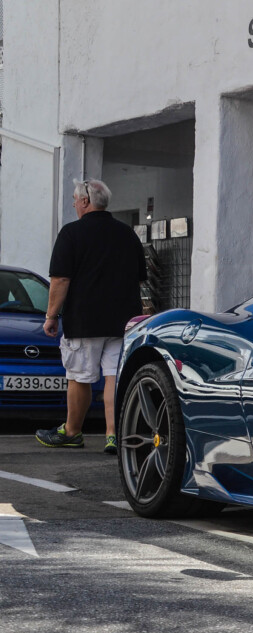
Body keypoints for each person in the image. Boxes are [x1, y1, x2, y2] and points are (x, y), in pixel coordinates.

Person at [36, 179, 145, 454]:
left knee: (79, 377)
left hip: (85, 321)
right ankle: (113, 435)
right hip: (123, 321)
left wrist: (51, 316)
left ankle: (72, 431)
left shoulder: (72, 233)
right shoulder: (127, 234)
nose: (74, 204)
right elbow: (139, 279)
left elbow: (60, 279)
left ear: (85, 201)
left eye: (75, 200)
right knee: (113, 377)